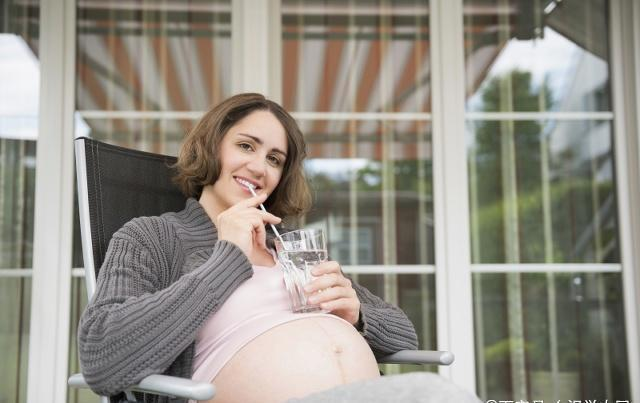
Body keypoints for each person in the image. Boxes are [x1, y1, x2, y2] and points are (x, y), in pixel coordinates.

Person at [78, 93, 478, 403]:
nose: (259, 167)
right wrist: (226, 259)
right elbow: (102, 356)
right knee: (434, 393)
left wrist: (357, 313)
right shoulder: (152, 237)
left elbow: (404, 337)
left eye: (274, 159)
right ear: (211, 146)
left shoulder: (289, 246)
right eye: (246, 146)